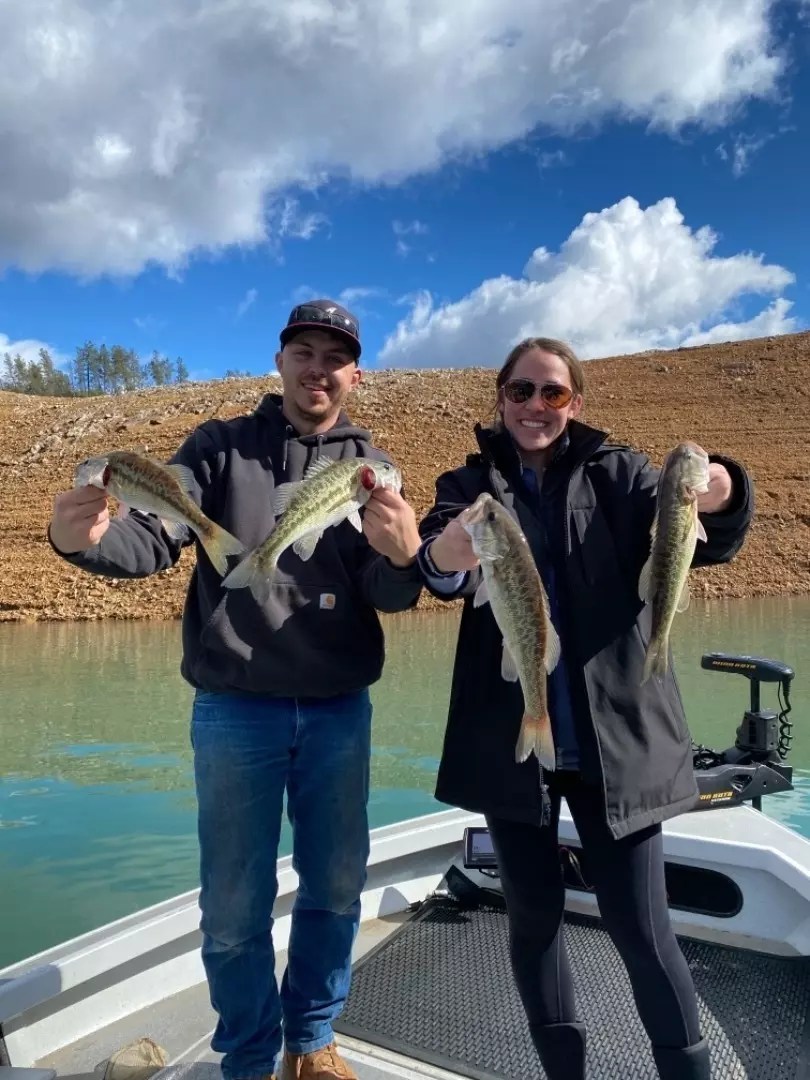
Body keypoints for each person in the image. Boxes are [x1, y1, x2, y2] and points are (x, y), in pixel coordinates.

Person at [47, 300, 425, 1080]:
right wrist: (80, 541)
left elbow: (388, 595)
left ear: (355, 374)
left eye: (335, 356)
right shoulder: (219, 449)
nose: (319, 368)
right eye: (305, 352)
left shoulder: (370, 469)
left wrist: (400, 561)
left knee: (336, 885)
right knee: (232, 905)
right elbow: (154, 535)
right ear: (281, 361)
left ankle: (312, 1039)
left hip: (337, 711)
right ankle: (249, 1056)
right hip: (233, 711)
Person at [416, 337, 753, 1080]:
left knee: (642, 928)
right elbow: (433, 567)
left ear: (576, 403)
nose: (536, 407)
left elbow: (711, 534)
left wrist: (720, 489)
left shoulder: (625, 473)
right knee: (534, 924)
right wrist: (447, 553)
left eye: (554, 393)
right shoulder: (470, 484)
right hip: (512, 745)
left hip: (618, 746)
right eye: (521, 391)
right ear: (499, 398)